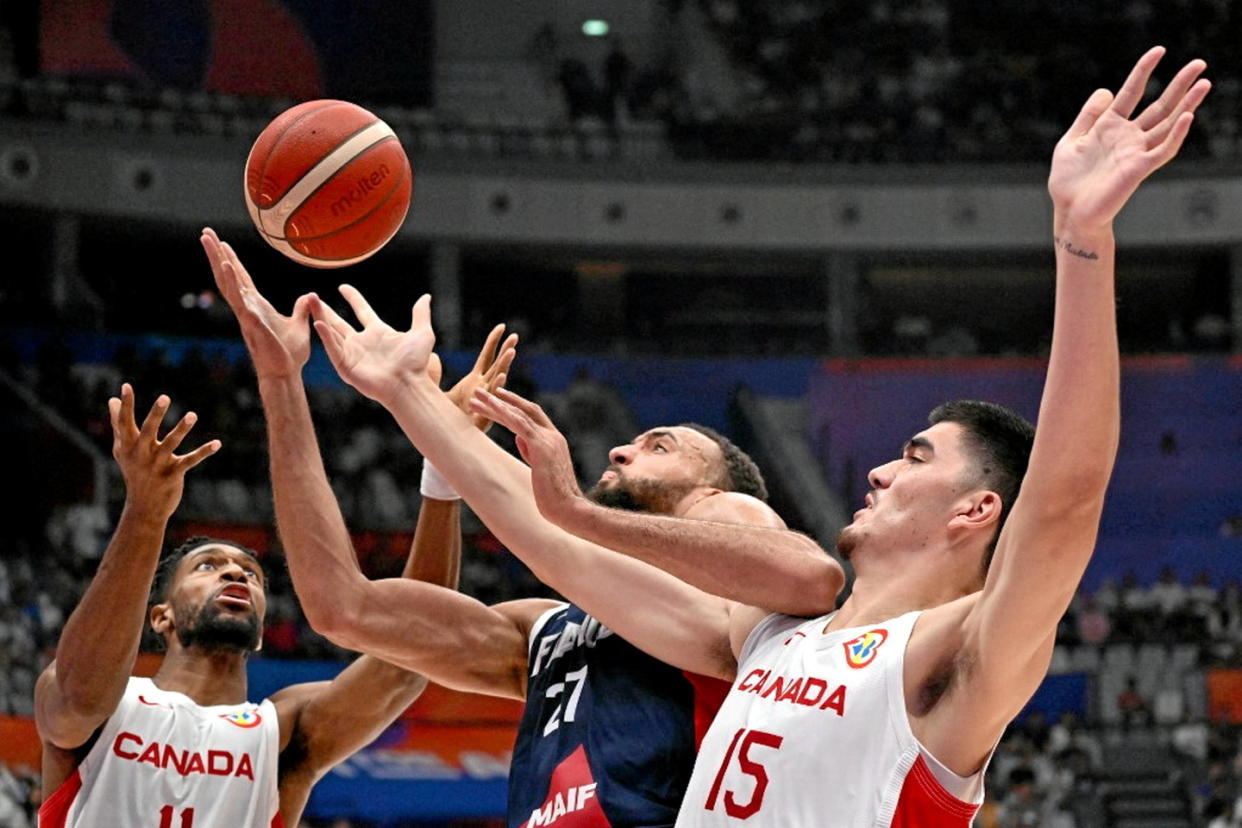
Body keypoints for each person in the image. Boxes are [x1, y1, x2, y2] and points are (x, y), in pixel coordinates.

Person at [302, 47, 1209, 825]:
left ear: (977, 508)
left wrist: (1080, 242)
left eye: (918, 456)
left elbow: (1062, 502)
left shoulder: (953, 656)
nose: (885, 468)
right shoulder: (763, 635)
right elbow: (546, 529)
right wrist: (405, 396)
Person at [200, 229, 844, 828]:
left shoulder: (740, 567)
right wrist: (282, 381)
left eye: (659, 446)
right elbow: (343, 608)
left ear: (710, 492)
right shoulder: (545, 628)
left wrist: (414, 401)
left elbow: (561, 539)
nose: (620, 452)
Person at [33, 381, 467, 826]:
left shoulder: (281, 730)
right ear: (161, 617)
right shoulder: (112, 699)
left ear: (260, 633)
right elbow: (79, 701)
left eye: (251, 574)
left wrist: (444, 470)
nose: (236, 573)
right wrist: (146, 513)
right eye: (207, 566)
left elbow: (413, 652)